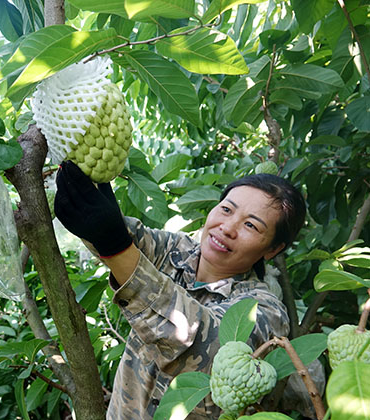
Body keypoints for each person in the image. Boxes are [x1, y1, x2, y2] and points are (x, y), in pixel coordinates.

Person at [54, 160, 307, 419]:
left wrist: (116, 246)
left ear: (273, 249)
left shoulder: (264, 309)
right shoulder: (174, 251)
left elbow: (205, 346)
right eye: (227, 209)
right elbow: (116, 235)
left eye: (251, 225)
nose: (228, 228)